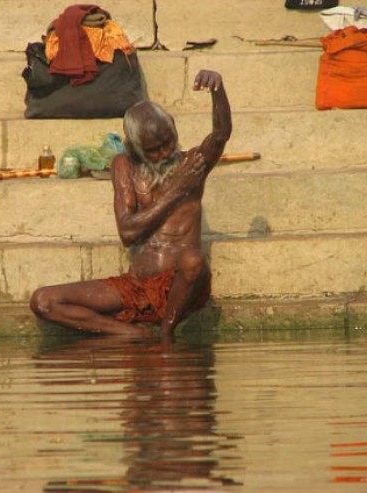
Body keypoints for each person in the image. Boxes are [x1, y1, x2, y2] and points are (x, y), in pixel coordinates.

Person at [30, 69, 232, 338]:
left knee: (194, 261)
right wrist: (177, 189)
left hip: (181, 287)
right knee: (43, 301)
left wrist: (217, 90)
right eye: (153, 150)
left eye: (168, 142)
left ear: (173, 125)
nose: (164, 153)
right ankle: (131, 334)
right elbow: (128, 233)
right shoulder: (124, 165)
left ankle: (165, 332)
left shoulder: (191, 164)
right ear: (134, 147)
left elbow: (221, 133)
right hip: (136, 286)